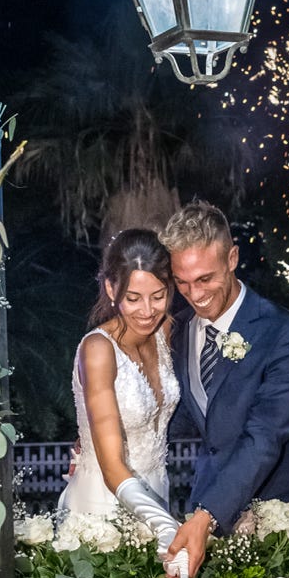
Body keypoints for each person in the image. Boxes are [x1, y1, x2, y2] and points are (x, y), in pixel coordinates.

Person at [161, 201, 289, 578]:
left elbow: (264, 437)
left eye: (205, 279)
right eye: (181, 282)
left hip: (280, 519)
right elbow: (177, 414)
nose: (193, 294)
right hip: (206, 508)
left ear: (232, 258)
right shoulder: (178, 329)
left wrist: (206, 516)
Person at [59, 228, 181, 558]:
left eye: (158, 295)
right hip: (104, 507)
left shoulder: (164, 331)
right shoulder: (98, 350)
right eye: (133, 298)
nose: (147, 310)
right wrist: (165, 525)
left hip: (158, 491)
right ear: (112, 289)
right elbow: (111, 464)